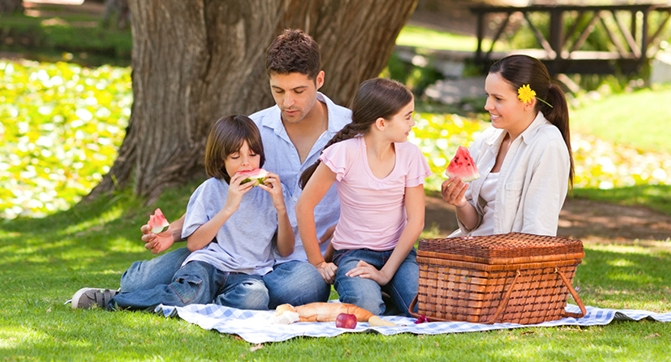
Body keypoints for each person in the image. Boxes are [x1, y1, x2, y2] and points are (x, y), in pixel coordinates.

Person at [88, 29, 351, 309]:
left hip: (294, 264)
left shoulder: (350, 130)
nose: (288, 102)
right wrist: (173, 232)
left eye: (299, 91)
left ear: (319, 80)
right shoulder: (253, 130)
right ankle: (194, 291)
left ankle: (198, 293)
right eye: (278, 91)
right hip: (226, 250)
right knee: (135, 284)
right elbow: (218, 193)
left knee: (304, 287)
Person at [71, 115, 294, 310]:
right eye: (235, 157)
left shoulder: (274, 192)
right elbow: (194, 244)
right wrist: (229, 207)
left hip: (249, 275)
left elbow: (285, 250)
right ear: (221, 160)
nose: (246, 163)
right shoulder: (210, 189)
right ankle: (116, 300)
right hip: (209, 265)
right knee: (189, 293)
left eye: (253, 155)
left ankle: (198, 305)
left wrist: (281, 208)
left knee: (255, 298)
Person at [296, 78, 431, 316]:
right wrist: (318, 262)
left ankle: (386, 287)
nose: (413, 123)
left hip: (397, 253)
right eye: (407, 117)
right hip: (353, 253)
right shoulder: (344, 153)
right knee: (367, 309)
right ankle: (376, 293)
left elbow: (416, 221)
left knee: (423, 308)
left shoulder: (410, 155)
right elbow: (304, 206)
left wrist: (386, 273)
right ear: (381, 123)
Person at [441, 54, 574, 237]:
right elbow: (473, 224)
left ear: (528, 102)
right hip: (473, 247)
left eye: (498, 99)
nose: (488, 105)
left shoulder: (548, 145)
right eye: (488, 96)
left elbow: (538, 229)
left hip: (509, 259)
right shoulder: (487, 138)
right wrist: (460, 202)